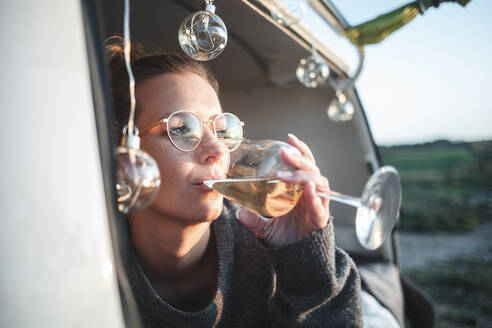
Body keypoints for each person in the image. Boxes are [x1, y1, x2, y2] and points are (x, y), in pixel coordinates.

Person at [107, 37, 362, 327]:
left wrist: (308, 273)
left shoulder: (272, 257)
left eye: (221, 129)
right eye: (181, 129)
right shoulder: (91, 264)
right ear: (123, 156)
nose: (217, 150)